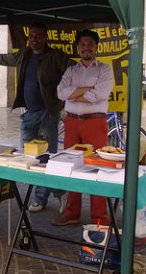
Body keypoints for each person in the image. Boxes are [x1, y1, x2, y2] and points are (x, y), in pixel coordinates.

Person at [0, 22, 72, 213]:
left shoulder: (55, 56)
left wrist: (64, 94)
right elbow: (4, 58)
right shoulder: (24, 54)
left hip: (47, 114)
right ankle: (59, 191)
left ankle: (41, 199)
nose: (34, 39)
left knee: (44, 159)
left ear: (46, 37)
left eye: (38, 35)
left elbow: (73, 69)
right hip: (28, 114)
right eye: (31, 35)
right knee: (26, 158)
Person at [52, 29, 114, 226]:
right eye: (82, 44)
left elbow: (101, 93)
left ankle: (99, 217)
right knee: (71, 166)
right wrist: (87, 91)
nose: (86, 48)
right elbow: (61, 93)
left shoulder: (104, 70)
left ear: (96, 47)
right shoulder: (71, 70)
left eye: (90, 44)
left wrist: (75, 93)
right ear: (78, 47)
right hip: (71, 122)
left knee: (98, 167)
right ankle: (72, 213)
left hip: (95, 122)